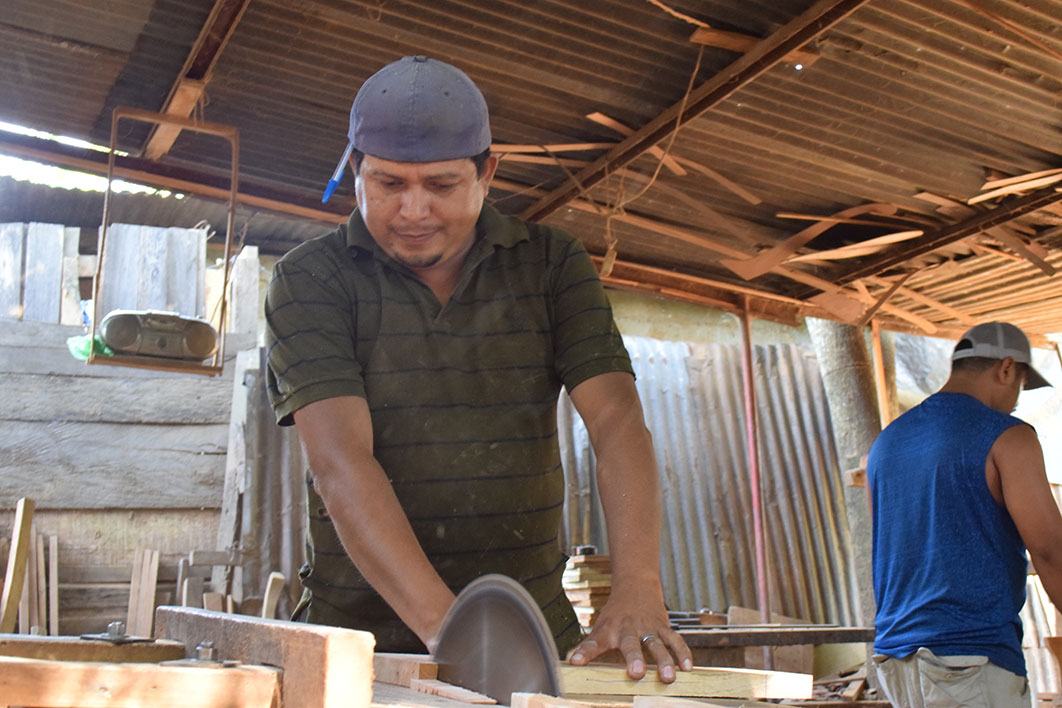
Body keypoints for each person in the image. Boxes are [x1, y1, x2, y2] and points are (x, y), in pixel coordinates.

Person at [264, 55, 691, 682]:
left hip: (535, 635)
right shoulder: (309, 280)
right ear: (355, 170)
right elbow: (340, 464)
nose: (413, 212)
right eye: (387, 185)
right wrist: (456, 634)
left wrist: (637, 587)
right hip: (359, 643)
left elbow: (617, 422)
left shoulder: (550, 265)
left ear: (487, 171)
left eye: (439, 186)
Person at [866, 321, 1062, 707]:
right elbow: (1052, 550)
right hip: (969, 662)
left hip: (896, 660)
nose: (1017, 402)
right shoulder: (1007, 435)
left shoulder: (887, 442)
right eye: (1020, 386)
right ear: (1006, 369)